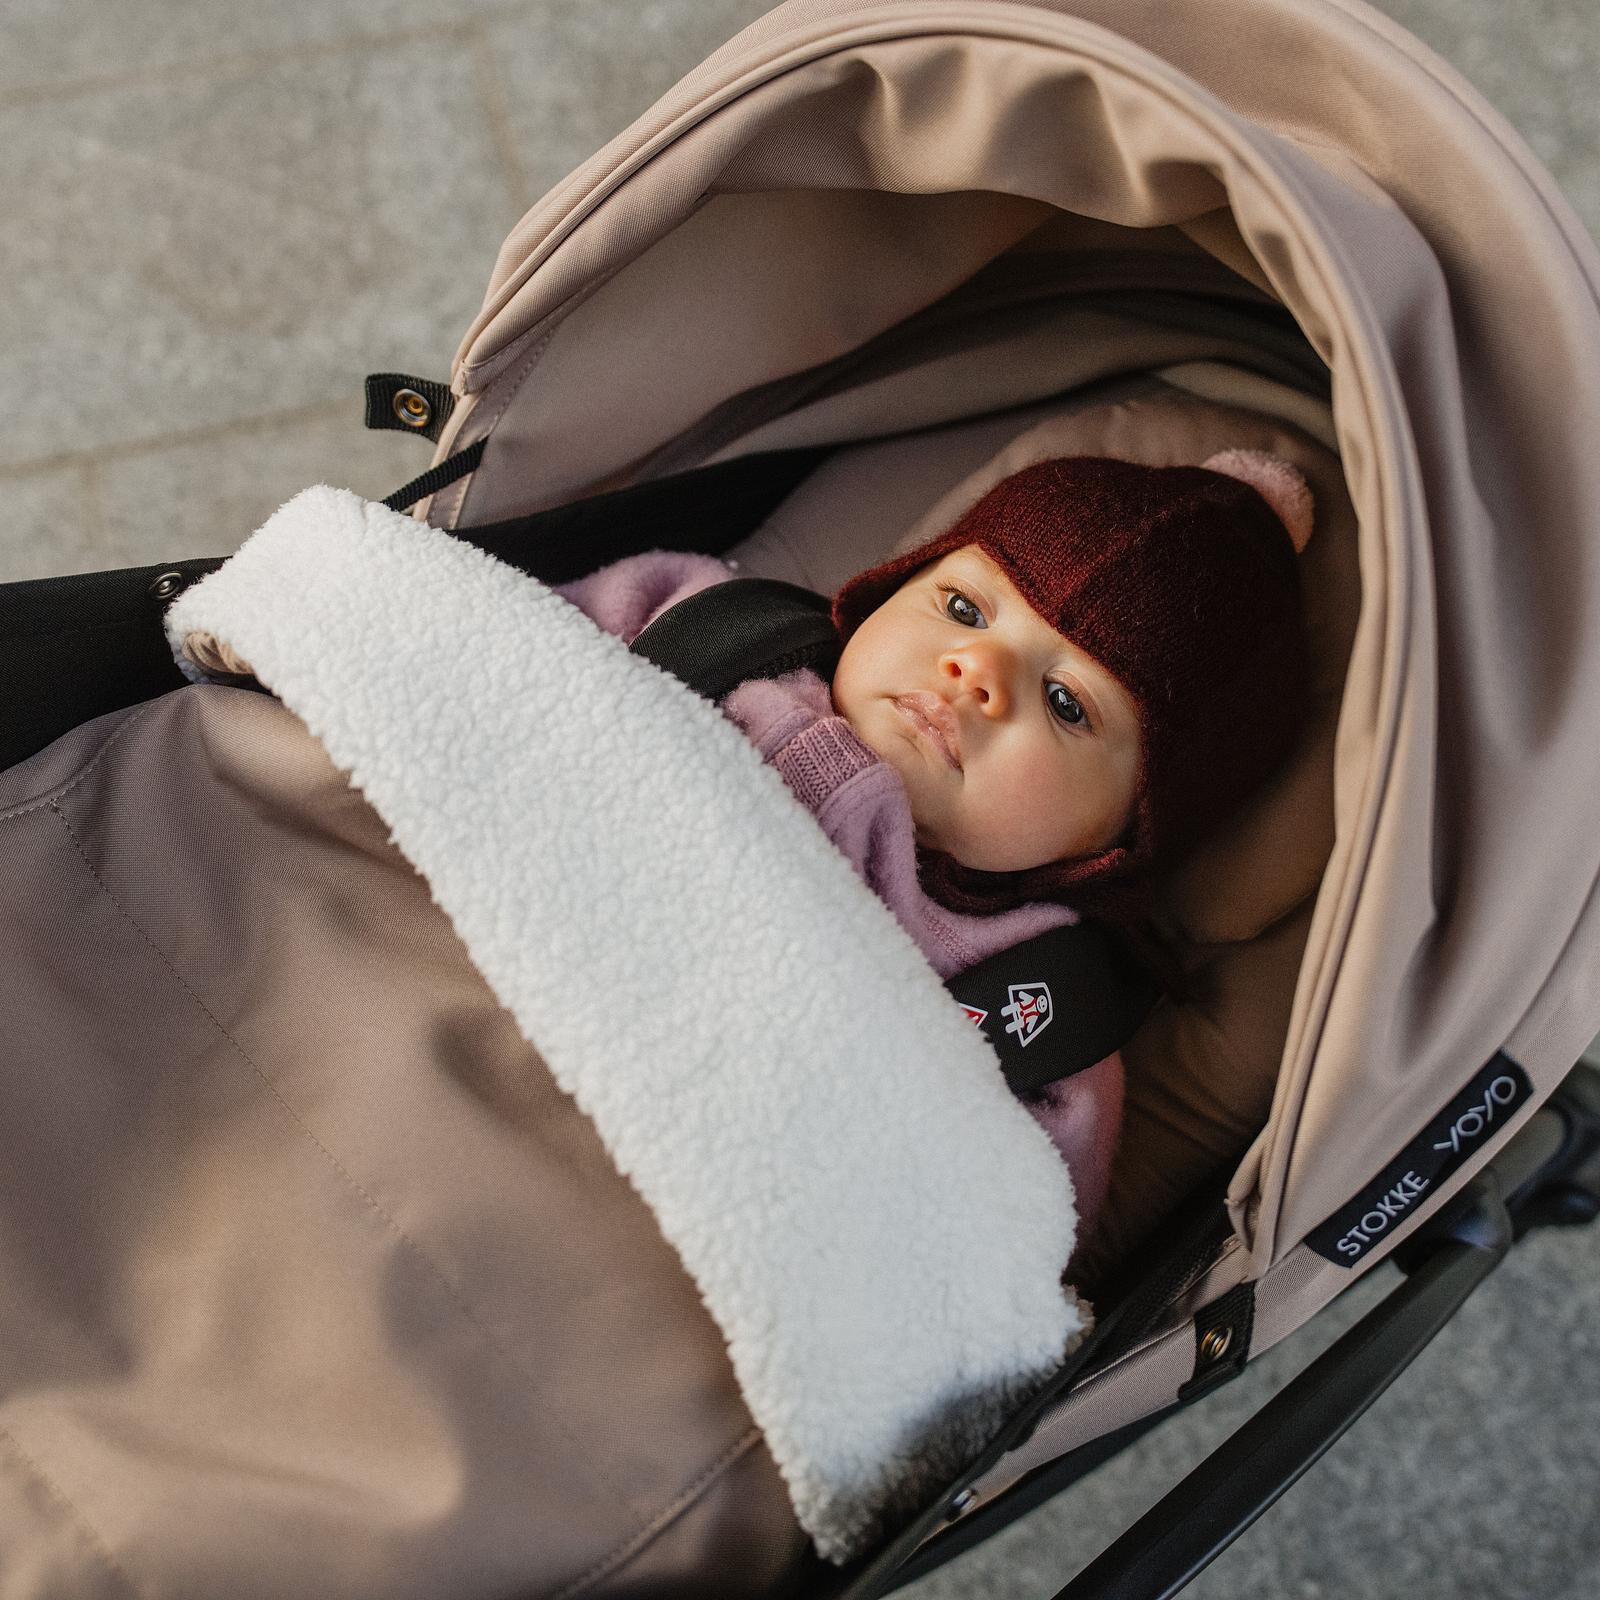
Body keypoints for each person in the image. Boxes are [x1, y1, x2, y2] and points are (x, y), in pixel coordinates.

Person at [549, 448, 1316, 1271]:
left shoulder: (1039, 1004)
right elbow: (485, 655)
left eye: (1066, 703)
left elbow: (981, 1247)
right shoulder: (709, 626)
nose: (975, 668)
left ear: (1123, 837)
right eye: (963, 606)